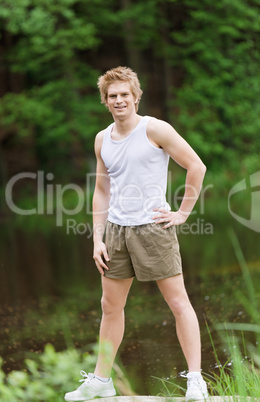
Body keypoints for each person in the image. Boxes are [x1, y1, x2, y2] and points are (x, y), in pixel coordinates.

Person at [64, 66, 209, 401]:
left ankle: (196, 381)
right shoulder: (103, 139)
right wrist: (97, 238)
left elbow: (196, 166)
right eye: (112, 96)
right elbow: (101, 190)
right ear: (105, 100)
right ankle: (102, 381)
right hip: (115, 232)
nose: (118, 100)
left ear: (135, 96)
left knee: (177, 302)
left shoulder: (154, 129)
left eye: (124, 95)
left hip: (154, 229)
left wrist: (182, 213)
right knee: (110, 306)